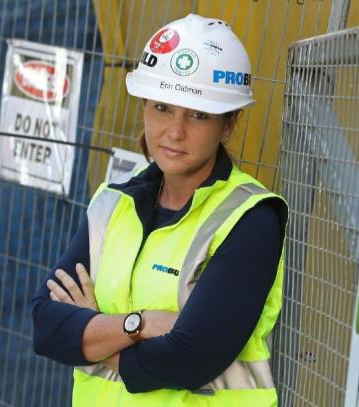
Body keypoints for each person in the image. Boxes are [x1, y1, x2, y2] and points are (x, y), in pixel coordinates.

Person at [31, 14, 287, 406]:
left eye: (198, 114)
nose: (175, 131)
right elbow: (47, 327)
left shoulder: (250, 219)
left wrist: (93, 333)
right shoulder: (112, 202)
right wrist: (141, 324)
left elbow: (188, 360)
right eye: (162, 107)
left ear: (229, 123)